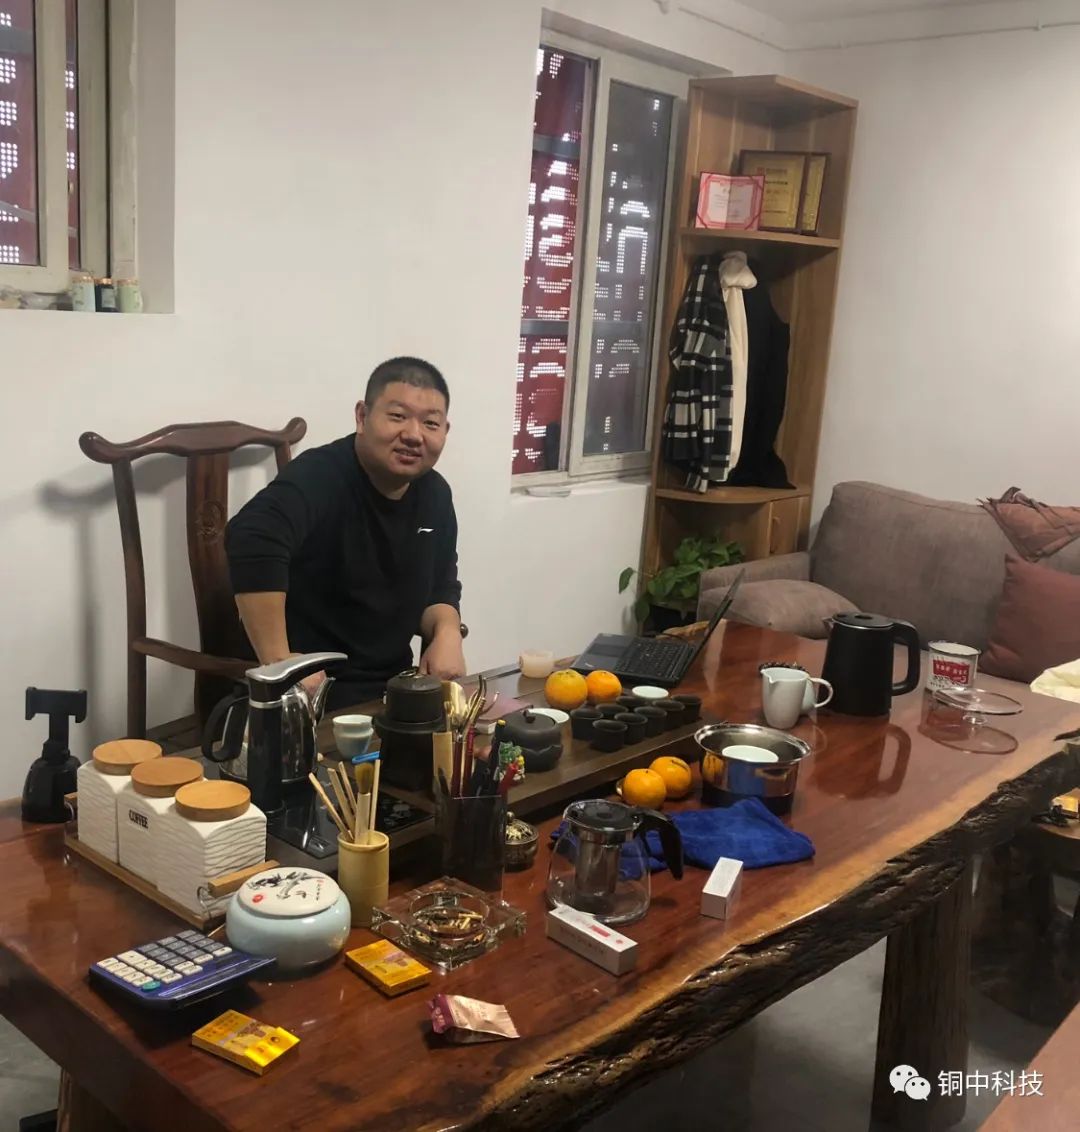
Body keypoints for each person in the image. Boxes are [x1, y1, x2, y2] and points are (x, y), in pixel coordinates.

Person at [225, 356, 465, 708]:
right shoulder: (320, 476)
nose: (414, 435)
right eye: (397, 416)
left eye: (430, 423)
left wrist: (447, 631)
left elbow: (440, 587)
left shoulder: (435, 494)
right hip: (314, 698)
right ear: (362, 417)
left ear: (445, 431)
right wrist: (280, 662)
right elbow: (252, 536)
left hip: (394, 692)